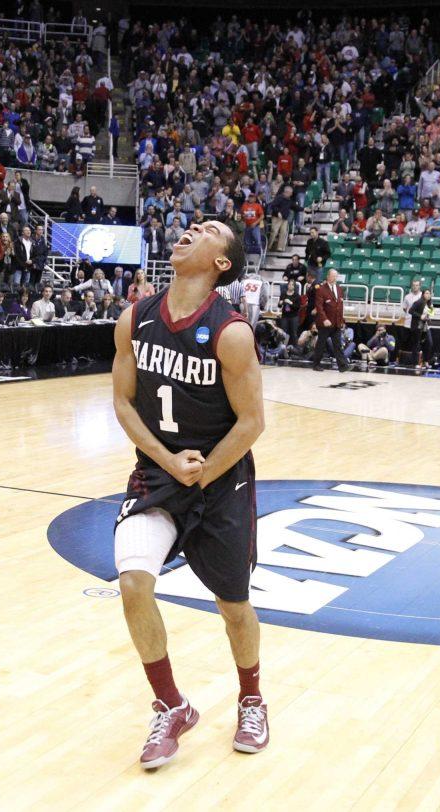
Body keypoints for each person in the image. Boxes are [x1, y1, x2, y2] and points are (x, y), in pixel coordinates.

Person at [111, 217, 267, 769]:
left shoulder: (232, 333)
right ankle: (171, 704)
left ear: (222, 263)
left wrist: (201, 471)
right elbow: (124, 404)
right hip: (159, 476)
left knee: (233, 606)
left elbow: (252, 422)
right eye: (191, 225)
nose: (189, 229)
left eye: (207, 230)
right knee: (133, 582)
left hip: (221, 482)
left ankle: (251, 696)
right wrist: (168, 462)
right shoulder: (134, 318)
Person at [310, 268, 348, 372]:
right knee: (321, 344)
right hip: (324, 323)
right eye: (333, 276)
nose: (335, 278)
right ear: (328, 276)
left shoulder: (340, 289)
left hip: (336, 323)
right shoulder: (321, 289)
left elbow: (340, 307)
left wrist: (342, 321)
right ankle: (316, 364)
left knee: (338, 345)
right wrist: (324, 319)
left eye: (336, 276)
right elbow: (319, 307)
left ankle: (343, 366)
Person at [408, 288, 434, 370]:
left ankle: (426, 361)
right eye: (426, 293)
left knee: (429, 343)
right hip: (417, 326)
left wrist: (429, 317)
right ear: (423, 294)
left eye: (429, 293)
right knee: (416, 344)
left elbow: (431, 314)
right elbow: (411, 311)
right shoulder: (419, 302)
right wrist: (420, 316)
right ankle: (415, 363)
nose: (428, 295)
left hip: (425, 327)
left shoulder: (430, 304)